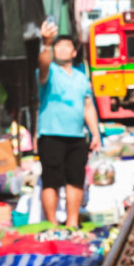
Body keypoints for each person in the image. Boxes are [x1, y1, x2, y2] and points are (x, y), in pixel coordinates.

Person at [37, 21, 101, 228]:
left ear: (74, 52)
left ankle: (72, 222)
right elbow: (43, 64)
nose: (61, 49)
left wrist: (95, 133)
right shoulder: (50, 72)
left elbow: (88, 106)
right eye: (58, 46)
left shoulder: (82, 77)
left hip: (76, 136)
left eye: (66, 46)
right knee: (51, 180)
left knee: (75, 179)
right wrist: (46, 44)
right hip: (51, 134)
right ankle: (53, 224)